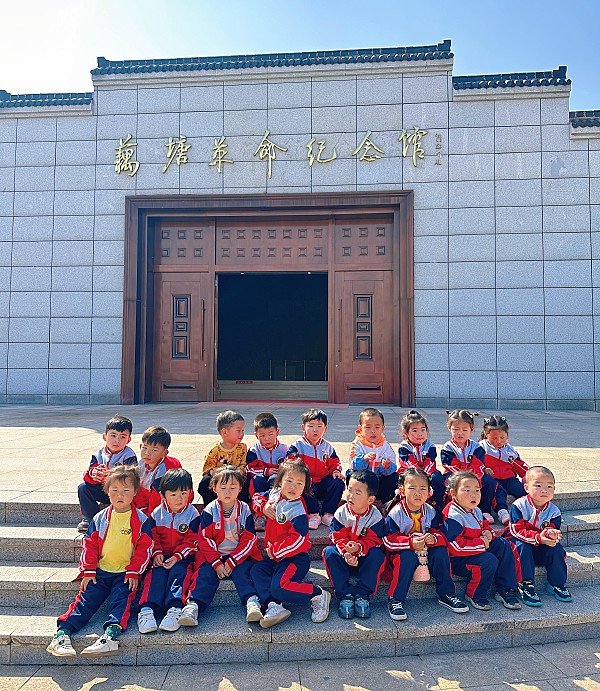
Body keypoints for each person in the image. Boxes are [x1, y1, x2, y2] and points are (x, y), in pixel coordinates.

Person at [47, 466, 153, 658]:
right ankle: (62, 635)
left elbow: (144, 549)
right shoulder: (99, 518)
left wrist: (134, 571)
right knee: (85, 602)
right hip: (100, 571)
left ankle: (110, 637)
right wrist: (88, 570)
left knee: (121, 601)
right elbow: (89, 545)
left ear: (135, 492)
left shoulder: (142, 520)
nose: (120, 495)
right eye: (115, 490)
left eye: (126, 490)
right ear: (107, 491)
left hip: (125, 574)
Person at [250, 459, 331, 627]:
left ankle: (317, 594)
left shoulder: (297, 510)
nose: (293, 487)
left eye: (299, 483)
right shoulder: (274, 495)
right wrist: (263, 506)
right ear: (280, 481)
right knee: (257, 570)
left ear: (305, 488)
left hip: (295, 559)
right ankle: (274, 605)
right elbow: (256, 497)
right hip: (275, 558)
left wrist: (276, 551)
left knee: (279, 587)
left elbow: (298, 540)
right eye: (289, 481)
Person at [179, 466, 263, 626]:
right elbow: (204, 539)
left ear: (240, 488)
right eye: (223, 488)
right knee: (205, 575)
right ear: (214, 488)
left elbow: (249, 539)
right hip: (213, 556)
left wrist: (232, 561)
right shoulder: (210, 510)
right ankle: (193, 606)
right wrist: (217, 563)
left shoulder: (244, 509)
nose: (228, 492)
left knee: (243, 573)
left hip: (239, 556)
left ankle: (252, 602)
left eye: (233, 487)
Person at [383, 468, 469, 620]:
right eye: (412, 488)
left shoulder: (431, 510)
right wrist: (410, 543)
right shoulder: (396, 513)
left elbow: (440, 533)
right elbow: (388, 540)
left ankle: (447, 593)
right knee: (407, 558)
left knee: (440, 552)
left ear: (429, 491)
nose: (418, 493)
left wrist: (433, 538)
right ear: (402, 490)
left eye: (423, 488)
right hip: (401, 552)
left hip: (426, 551)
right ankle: (395, 599)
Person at [443, 471, 521, 611]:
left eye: (477, 490)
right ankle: (475, 594)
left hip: (475, 549)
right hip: (457, 559)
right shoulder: (453, 515)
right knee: (488, 560)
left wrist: (488, 533)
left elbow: (485, 526)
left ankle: (505, 589)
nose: (473, 495)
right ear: (453, 493)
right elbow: (455, 546)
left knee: (503, 544)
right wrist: (481, 544)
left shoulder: (476, 510)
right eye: (467, 490)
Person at [137, 469, 200, 634]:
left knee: (180, 574)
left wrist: (177, 556)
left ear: (190, 493)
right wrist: (157, 552)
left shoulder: (193, 515)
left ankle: (175, 608)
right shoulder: (156, 514)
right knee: (155, 575)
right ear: (162, 495)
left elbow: (192, 540)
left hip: (182, 557)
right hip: (161, 556)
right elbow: (152, 538)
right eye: (173, 494)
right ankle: (147, 610)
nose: (179, 498)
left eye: (184, 493)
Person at [323, 469, 385, 619]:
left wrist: (358, 548)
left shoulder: (375, 516)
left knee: (377, 554)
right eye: (349, 490)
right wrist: (347, 553)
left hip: (364, 559)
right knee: (329, 552)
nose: (350, 495)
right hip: (344, 558)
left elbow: (374, 540)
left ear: (370, 500)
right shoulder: (341, 513)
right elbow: (337, 536)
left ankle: (363, 594)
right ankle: (345, 595)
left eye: (357, 493)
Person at [509, 466, 572, 607]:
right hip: (522, 544)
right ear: (526, 488)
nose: (544, 490)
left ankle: (556, 583)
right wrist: (538, 537)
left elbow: (553, 528)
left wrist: (552, 535)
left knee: (557, 549)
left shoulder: (554, 511)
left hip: (540, 546)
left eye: (549, 486)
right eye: (538, 486)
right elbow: (516, 530)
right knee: (522, 546)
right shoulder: (519, 506)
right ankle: (525, 584)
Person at [440, 410, 504, 522]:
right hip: (454, 476)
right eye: (456, 429)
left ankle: (484, 510)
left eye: (464, 430)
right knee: (441, 481)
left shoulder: (476, 447)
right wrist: (464, 478)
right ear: (449, 428)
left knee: (489, 481)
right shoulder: (448, 447)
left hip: (474, 475)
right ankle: (448, 509)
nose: (460, 433)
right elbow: (450, 466)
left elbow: (478, 464)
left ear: (471, 429)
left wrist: (472, 478)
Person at [77, 415, 137, 533]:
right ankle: (89, 518)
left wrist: (111, 475)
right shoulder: (98, 455)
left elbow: (132, 476)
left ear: (128, 440)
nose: (117, 440)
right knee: (83, 488)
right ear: (105, 437)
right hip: (102, 489)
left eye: (122, 437)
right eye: (113, 435)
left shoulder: (129, 455)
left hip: (120, 490)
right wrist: (94, 474)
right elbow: (89, 474)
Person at [286, 408, 344, 529]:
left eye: (319, 426)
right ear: (303, 427)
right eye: (311, 426)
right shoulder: (298, 446)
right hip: (308, 482)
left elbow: (334, 462)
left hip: (323, 481)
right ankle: (313, 515)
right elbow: (291, 463)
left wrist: (336, 471)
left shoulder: (327, 447)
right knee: (304, 483)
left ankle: (328, 514)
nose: (315, 430)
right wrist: (303, 475)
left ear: (325, 428)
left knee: (338, 483)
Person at [480, 415, 528, 525]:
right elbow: (475, 465)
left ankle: (530, 510)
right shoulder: (482, 448)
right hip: (493, 480)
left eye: (502, 437)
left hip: (509, 479)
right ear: (486, 435)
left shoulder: (509, 449)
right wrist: (484, 469)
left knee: (521, 490)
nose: (499, 441)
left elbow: (519, 465)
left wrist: (528, 475)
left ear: (507, 435)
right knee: (499, 493)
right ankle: (502, 513)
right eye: (494, 438)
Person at [397, 409, 446, 516]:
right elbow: (409, 464)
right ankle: (401, 507)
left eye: (423, 430)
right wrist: (419, 476)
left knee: (437, 478)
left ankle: (439, 507)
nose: (420, 434)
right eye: (415, 431)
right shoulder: (404, 447)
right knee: (398, 480)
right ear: (405, 433)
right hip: (409, 473)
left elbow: (430, 462)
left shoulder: (430, 446)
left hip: (428, 473)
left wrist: (425, 476)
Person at [246, 412, 288, 528]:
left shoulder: (285, 449)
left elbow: (290, 467)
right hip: (260, 477)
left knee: (276, 482)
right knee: (256, 480)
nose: (267, 438)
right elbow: (248, 468)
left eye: (271, 434)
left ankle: (274, 509)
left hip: (276, 479)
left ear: (277, 432)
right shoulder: (254, 450)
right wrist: (265, 471)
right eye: (262, 435)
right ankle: (259, 514)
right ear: (256, 435)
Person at [347, 408, 398, 505]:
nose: (373, 431)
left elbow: (393, 465)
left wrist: (387, 466)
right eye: (368, 427)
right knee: (350, 474)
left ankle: (382, 502)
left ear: (383, 428)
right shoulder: (358, 443)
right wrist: (364, 459)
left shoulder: (385, 445)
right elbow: (353, 464)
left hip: (379, 479)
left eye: (377, 427)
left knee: (394, 477)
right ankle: (358, 501)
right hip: (364, 480)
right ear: (360, 428)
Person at [198, 410, 248, 505]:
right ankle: (211, 507)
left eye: (243, 430)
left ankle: (243, 507)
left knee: (246, 481)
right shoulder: (214, 451)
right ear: (224, 432)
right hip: (220, 478)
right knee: (205, 483)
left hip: (237, 476)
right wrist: (222, 473)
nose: (241, 434)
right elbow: (207, 470)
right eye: (238, 430)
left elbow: (243, 464)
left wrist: (237, 473)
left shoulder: (242, 448)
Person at [134, 426, 181, 516]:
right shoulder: (141, 463)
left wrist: (149, 516)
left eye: (154, 450)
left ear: (164, 453)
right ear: (140, 446)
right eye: (145, 448)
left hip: (164, 503)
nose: (147, 453)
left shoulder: (164, 469)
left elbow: (158, 498)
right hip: (147, 499)